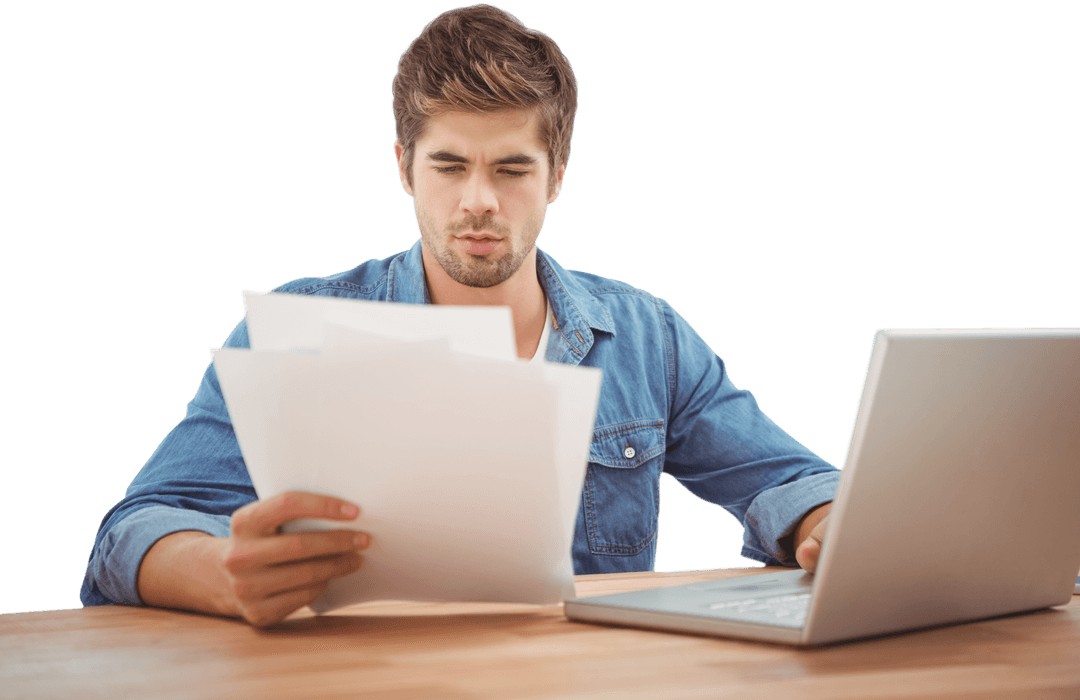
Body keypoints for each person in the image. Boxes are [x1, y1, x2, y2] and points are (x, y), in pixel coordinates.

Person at [80, 4, 838, 628]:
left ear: (557, 177)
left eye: (512, 169)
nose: (479, 199)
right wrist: (218, 572)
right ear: (406, 168)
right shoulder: (296, 331)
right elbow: (132, 529)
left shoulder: (646, 336)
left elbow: (792, 481)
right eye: (449, 166)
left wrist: (827, 525)